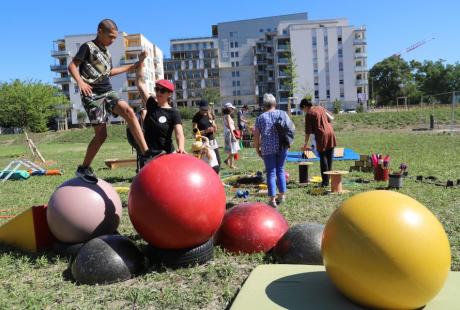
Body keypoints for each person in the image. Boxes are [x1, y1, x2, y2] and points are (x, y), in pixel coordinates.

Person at [68, 19, 154, 183]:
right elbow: (72, 66)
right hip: (92, 95)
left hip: (107, 91)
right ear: (100, 31)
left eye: (115, 37)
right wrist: (80, 82)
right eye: (111, 36)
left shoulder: (106, 52)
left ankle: (146, 153)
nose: (113, 40)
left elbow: (109, 72)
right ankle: (83, 168)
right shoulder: (88, 47)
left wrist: (136, 64)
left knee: (129, 112)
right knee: (101, 135)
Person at [135, 51, 185, 165]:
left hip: (166, 154)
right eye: (157, 89)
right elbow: (140, 84)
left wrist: (181, 147)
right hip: (148, 154)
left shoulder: (173, 113)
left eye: (162, 90)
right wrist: (141, 62)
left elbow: (179, 133)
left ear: (169, 94)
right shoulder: (151, 104)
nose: (158, 92)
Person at [253, 94, 293, 207]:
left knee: (271, 172)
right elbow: (291, 129)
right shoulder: (283, 114)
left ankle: (272, 199)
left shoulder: (260, 118)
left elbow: (256, 136)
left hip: (267, 148)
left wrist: (257, 149)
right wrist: (289, 143)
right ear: (275, 103)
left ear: (264, 105)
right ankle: (282, 195)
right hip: (282, 146)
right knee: (280, 170)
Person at [300, 98, 337, 187]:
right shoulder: (320, 107)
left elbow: (307, 132)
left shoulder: (309, 114)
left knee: (323, 157)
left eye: (303, 109)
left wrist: (305, 144)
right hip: (330, 132)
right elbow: (331, 117)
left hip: (322, 135)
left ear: (305, 106)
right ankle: (328, 179)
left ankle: (325, 182)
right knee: (329, 157)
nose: (304, 111)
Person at [192, 100, 221, 167]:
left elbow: (215, 128)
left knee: (218, 161)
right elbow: (195, 133)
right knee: (207, 162)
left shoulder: (210, 115)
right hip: (203, 142)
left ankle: (217, 176)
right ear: (199, 108)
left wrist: (214, 128)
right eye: (203, 109)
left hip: (212, 140)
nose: (204, 111)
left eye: (206, 109)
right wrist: (205, 131)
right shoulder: (196, 117)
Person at [222, 102, 240, 169]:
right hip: (230, 133)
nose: (233, 110)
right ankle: (230, 164)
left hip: (227, 133)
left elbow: (228, 125)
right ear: (229, 109)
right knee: (233, 149)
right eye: (232, 108)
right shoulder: (228, 116)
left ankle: (229, 163)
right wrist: (233, 135)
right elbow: (229, 126)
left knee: (232, 150)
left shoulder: (224, 116)